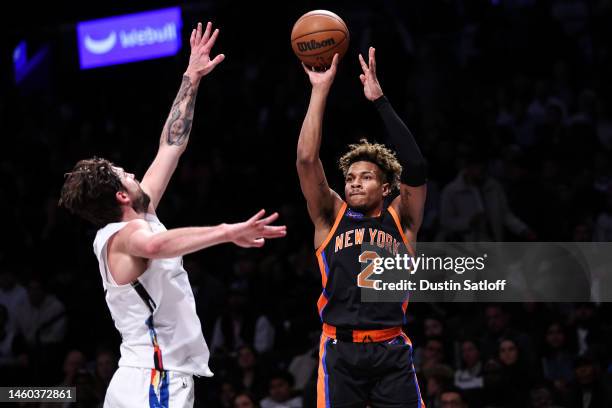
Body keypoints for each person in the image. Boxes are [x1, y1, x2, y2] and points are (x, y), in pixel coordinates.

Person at [59, 22, 286, 408]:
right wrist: (227, 231)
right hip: (155, 381)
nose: (132, 173)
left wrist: (191, 77)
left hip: (144, 377)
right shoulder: (125, 237)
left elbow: (171, 145)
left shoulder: (137, 215)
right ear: (120, 195)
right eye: (124, 174)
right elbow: (158, 244)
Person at [296, 47, 427, 407]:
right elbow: (307, 160)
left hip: (391, 349)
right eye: (350, 177)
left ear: (386, 188)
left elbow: (415, 168)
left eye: (366, 177)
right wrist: (319, 90)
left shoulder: (402, 218)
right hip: (339, 349)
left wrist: (380, 101)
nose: (354, 183)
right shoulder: (330, 215)